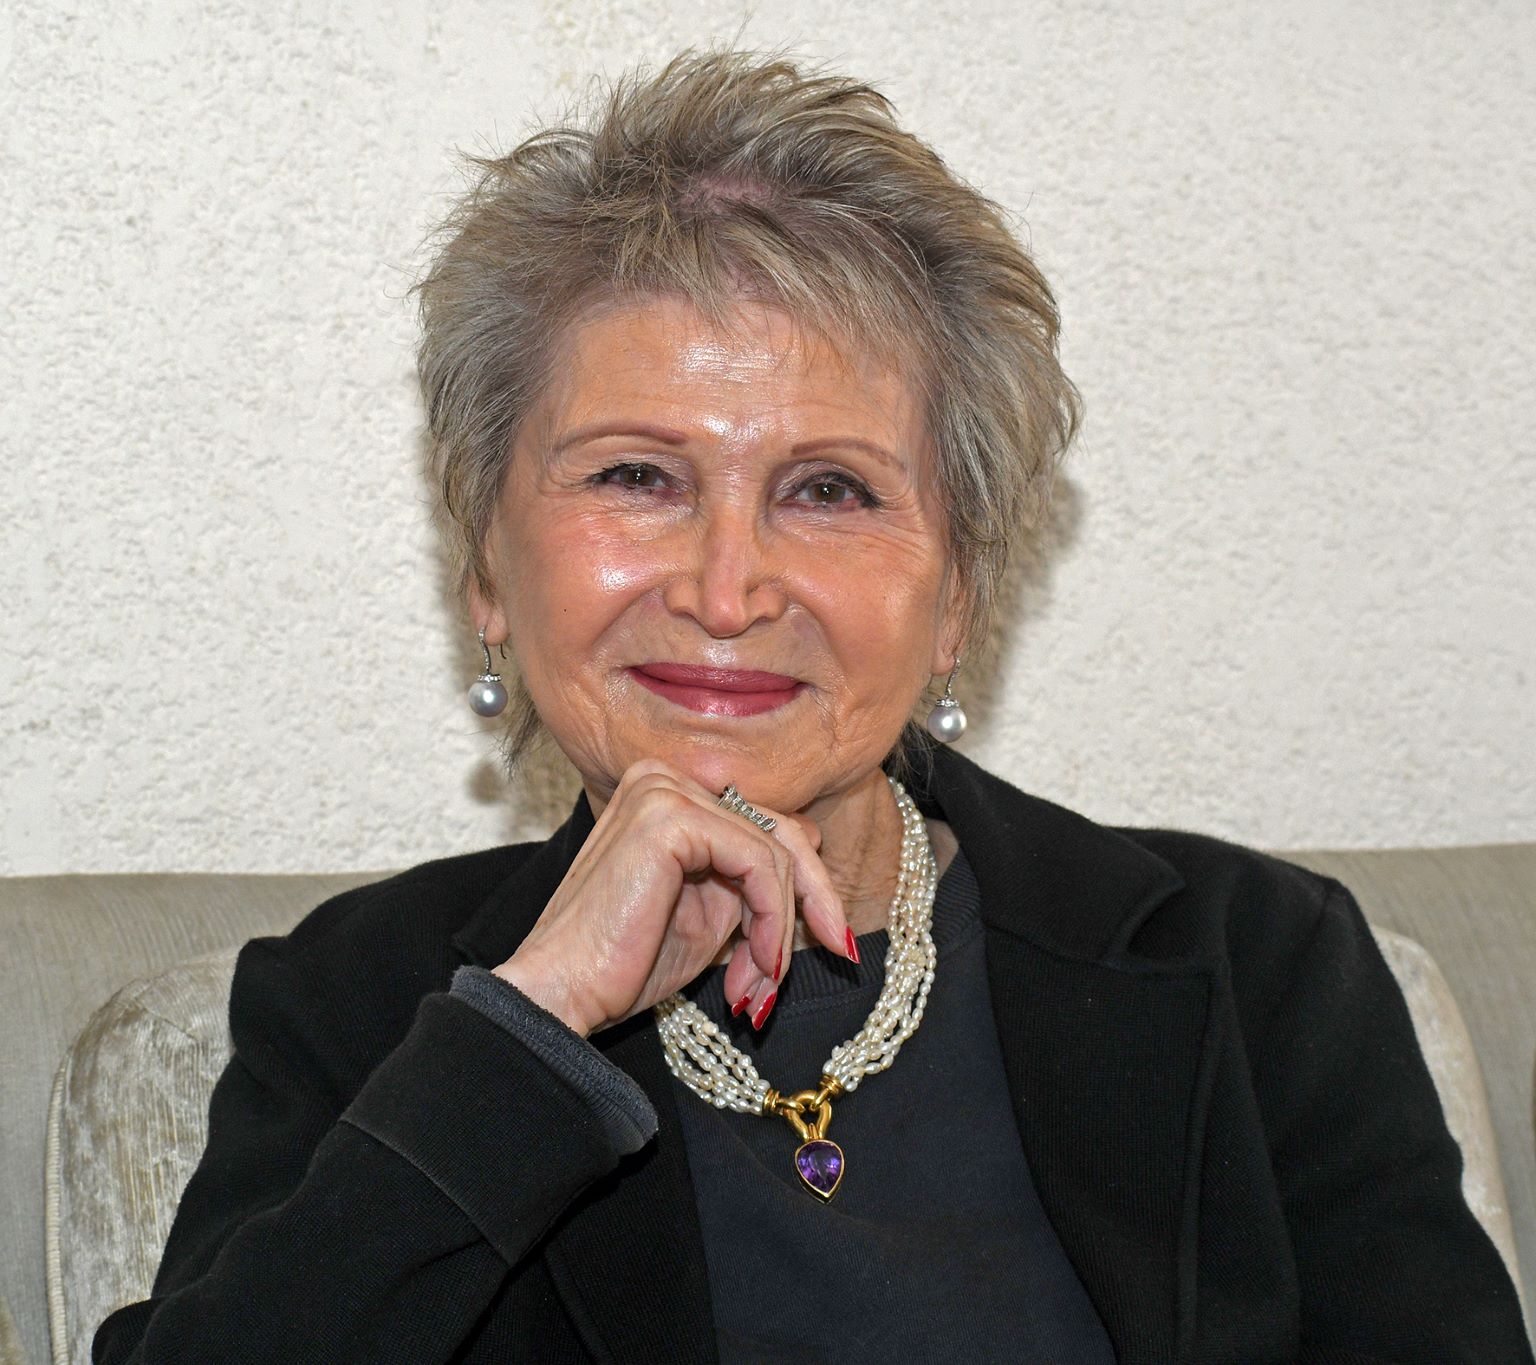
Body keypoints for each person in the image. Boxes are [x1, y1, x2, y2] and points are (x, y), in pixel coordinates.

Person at [96, 48, 1530, 1364]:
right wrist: (533, 1031)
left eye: (830, 490)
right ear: (487, 568)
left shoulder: (1259, 970)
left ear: (958, 595)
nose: (728, 590)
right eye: (636, 477)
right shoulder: (361, 1010)